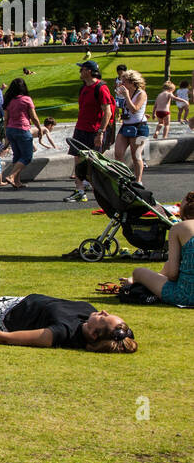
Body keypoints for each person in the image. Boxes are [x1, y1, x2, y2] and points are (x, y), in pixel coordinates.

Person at [0, 294, 136, 352]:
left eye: (103, 317)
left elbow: (5, 338)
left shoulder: (61, 333)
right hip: (12, 304)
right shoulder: (88, 313)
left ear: (93, 334)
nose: (102, 311)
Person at [124, 192, 194, 306]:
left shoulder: (179, 228)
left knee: (138, 272)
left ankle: (134, 281)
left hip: (186, 295)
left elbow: (172, 274)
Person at [65, 60, 115, 202]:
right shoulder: (84, 88)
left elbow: (108, 112)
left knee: (94, 163)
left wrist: (101, 132)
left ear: (88, 71)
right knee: (78, 159)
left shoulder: (101, 88)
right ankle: (80, 190)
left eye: (82, 70)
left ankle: (104, 191)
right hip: (81, 128)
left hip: (94, 130)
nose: (80, 72)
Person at [0, 78, 43, 188]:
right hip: (22, 129)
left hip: (10, 129)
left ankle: (17, 182)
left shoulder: (8, 100)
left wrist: (6, 133)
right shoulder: (26, 99)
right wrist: (40, 129)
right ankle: (11, 176)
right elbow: (33, 117)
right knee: (27, 156)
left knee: (17, 155)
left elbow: (5, 119)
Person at [113, 69, 148, 184]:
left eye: (124, 82)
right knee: (118, 153)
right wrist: (119, 99)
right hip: (126, 125)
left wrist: (126, 96)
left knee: (136, 155)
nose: (122, 84)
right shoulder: (126, 93)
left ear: (132, 82)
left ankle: (138, 181)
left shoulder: (141, 93)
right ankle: (124, 177)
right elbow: (123, 109)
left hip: (139, 127)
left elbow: (134, 109)